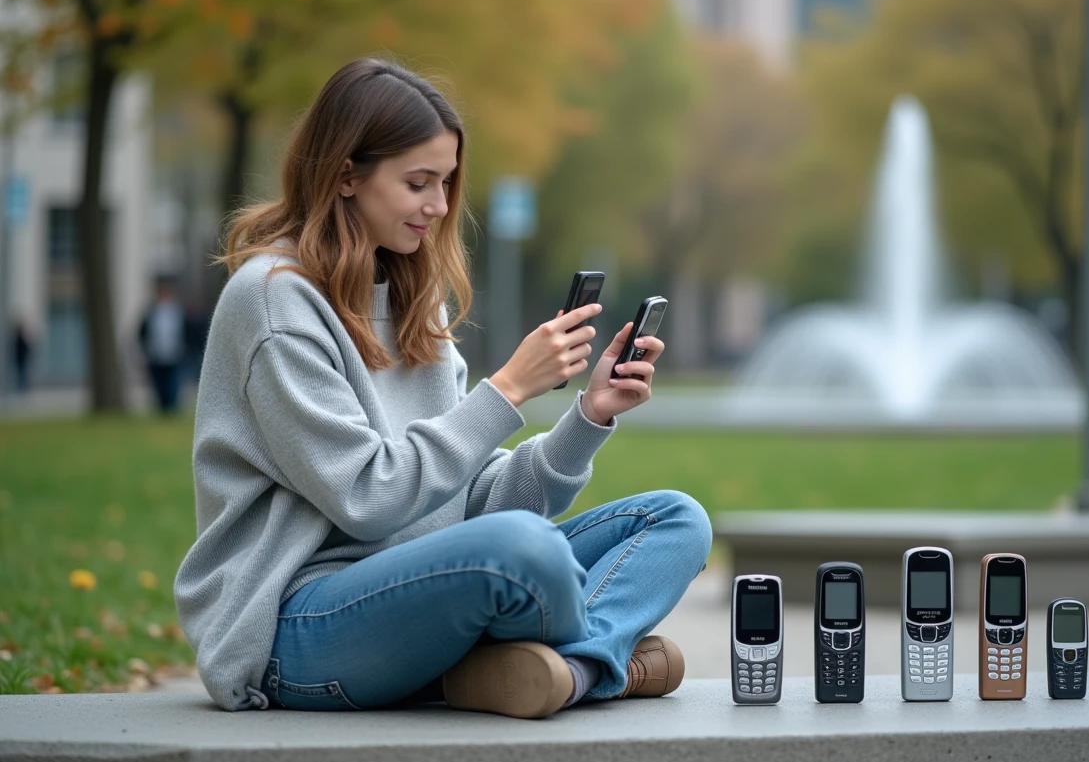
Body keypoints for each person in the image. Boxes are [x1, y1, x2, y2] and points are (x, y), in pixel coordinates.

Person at [174, 57, 712, 716]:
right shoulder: (271, 303)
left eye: (447, 182)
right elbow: (367, 498)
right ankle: (599, 657)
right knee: (525, 551)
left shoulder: (412, 306)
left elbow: (471, 504)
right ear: (346, 174)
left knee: (676, 519)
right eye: (418, 182)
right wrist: (509, 388)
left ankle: (566, 669)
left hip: (433, 585)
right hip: (299, 626)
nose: (438, 205)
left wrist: (587, 418)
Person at [138, 278, 186, 413]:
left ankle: (172, 408)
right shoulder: (151, 312)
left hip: (174, 354)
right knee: (159, 385)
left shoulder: (177, 311)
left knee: (172, 384)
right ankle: (162, 408)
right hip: (156, 355)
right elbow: (142, 332)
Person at [11, 318, 33, 394]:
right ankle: (22, 388)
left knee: (22, 374)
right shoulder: (19, 338)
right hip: (20, 359)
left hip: (21, 359)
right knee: (22, 374)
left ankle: (22, 388)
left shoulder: (19, 338)